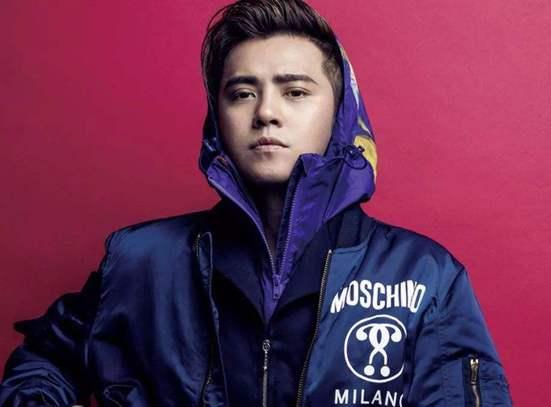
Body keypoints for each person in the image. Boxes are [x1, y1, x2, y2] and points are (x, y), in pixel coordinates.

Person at [0, 0, 513, 405]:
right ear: (217, 116)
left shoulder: (424, 276)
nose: (266, 112)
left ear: (340, 114)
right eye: (242, 93)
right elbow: (44, 362)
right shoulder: (140, 261)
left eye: (295, 92)